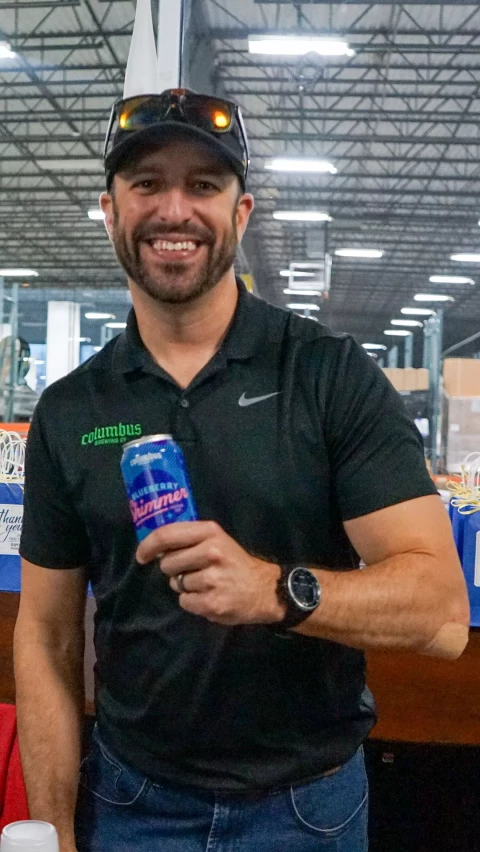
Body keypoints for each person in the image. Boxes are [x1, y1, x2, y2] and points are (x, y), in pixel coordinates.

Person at [14, 23, 469, 852]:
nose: (174, 210)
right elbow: (45, 635)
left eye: (205, 184)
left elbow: (440, 612)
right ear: (111, 209)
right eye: (146, 183)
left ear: (242, 209)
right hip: (129, 802)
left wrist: (277, 591)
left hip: (306, 810)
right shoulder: (71, 410)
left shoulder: (328, 376)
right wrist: (53, 829)